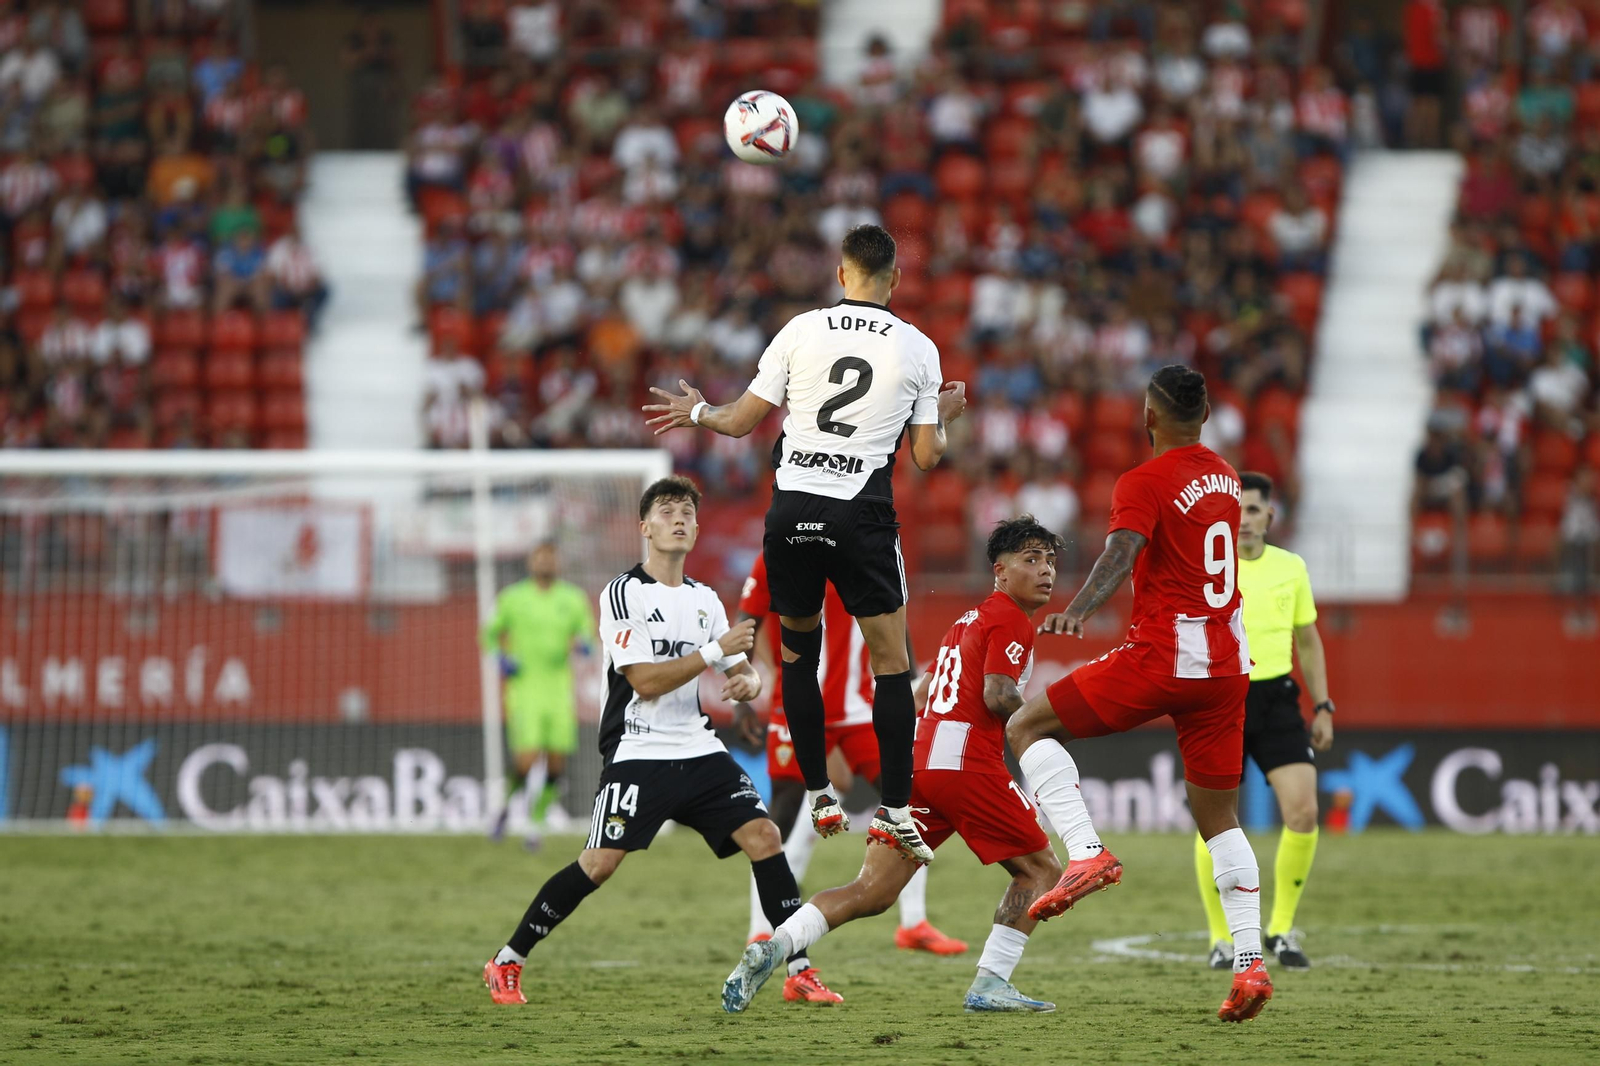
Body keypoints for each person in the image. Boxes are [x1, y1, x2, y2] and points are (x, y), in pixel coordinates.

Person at [643, 224, 968, 864]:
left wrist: (698, 412)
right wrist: (946, 419)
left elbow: (738, 422)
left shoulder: (801, 330)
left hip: (793, 511)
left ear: (841, 275)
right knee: (892, 663)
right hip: (863, 515)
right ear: (894, 279)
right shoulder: (918, 347)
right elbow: (927, 457)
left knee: (797, 654)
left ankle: (819, 792)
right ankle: (896, 811)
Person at [1001, 364, 1274, 1023]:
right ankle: (1250, 964)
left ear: (1149, 418)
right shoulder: (1226, 476)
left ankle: (1086, 854)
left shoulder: (1144, 480)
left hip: (1164, 655)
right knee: (1219, 820)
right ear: (1205, 418)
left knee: (1026, 728)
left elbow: (1122, 553)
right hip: (1226, 666)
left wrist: (1080, 607)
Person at [484, 477, 809, 1004]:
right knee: (599, 864)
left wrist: (746, 682)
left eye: (686, 512)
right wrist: (713, 655)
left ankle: (800, 969)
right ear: (645, 527)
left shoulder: (705, 600)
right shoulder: (623, 593)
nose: (678, 518)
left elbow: (742, 672)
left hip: (698, 747)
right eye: (665, 511)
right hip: (639, 748)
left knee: (766, 837)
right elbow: (645, 681)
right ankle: (508, 959)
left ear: (697, 529)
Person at [722, 517, 1066, 1014]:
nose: (1045, 571)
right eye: (1031, 560)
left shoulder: (966, 621)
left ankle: (776, 945)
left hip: (919, 766)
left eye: (1051, 561)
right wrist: (1048, 726)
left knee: (871, 891)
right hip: (967, 765)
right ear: (1001, 572)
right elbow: (997, 694)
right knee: (1042, 870)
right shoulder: (1010, 620)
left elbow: (923, 688)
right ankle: (990, 982)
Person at [736, 554, 966, 983]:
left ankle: (913, 921)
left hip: (862, 705)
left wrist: (911, 683)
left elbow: (894, 614)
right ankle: (760, 930)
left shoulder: (868, 544)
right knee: (783, 810)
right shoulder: (778, 550)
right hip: (798, 705)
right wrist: (743, 690)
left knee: (912, 798)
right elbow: (747, 621)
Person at [1194, 473, 1335, 972]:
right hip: (1221, 698)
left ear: (1269, 516)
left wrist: (1322, 705)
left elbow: (1310, 640)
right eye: (1236, 510)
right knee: (1215, 820)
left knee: (1303, 813)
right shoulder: (1209, 567)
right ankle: (1220, 938)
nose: (1243, 520)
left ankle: (1279, 929)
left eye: (1252, 510)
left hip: (1277, 699)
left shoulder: (1291, 568)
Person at [481, 541, 596, 850]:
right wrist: (500, 659)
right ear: (531, 562)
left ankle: (535, 824)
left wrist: (584, 646)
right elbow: (489, 634)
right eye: (540, 557)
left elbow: (586, 634)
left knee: (556, 762)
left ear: (557, 562)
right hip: (526, 690)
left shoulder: (572, 599)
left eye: (550, 557)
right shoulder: (512, 598)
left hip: (559, 690)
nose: (545, 562)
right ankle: (504, 808)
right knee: (528, 758)